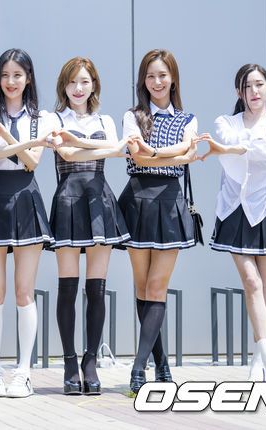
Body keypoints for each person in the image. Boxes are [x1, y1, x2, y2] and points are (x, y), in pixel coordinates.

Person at [199, 63, 266, 389]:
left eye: (259, 84)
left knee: (264, 283)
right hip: (234, 207)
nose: (254, 91)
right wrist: (254, 139)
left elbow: (259, 153)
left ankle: (259, 358)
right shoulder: (225, 122)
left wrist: (246, 143)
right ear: (238, 92)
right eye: (247, 86)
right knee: (252, 282)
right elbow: (231, 146)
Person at [119, 49, 199, 394]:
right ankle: (162, 362)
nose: (156, 82)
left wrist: (153, 152)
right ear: (143, 81)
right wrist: (172, 154)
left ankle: (139, 368)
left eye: (162, 75)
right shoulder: (132, 116)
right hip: (137, 199)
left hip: (169, 202)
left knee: (156, 288)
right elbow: (139, 158)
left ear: (173, 79)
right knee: (141, 288)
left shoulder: (188, 119)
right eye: (150, 76)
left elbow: (189, 154)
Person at [48, 57, 129, 395]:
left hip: (99, 199)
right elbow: (66, 155)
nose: (78, 88)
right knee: (68, 287)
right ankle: (70, 362)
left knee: (96, 289)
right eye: (72, 82)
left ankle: (90, 361)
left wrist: (81, 142)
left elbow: (117, 150)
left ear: (94, 84)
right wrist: (103, 146)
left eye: (84, 81)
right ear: (63, 87)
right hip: (68, 198)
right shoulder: (54, 119)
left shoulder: (105, 119)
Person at [0, 48, 53, 398]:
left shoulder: (42, 118)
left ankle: (23, 371)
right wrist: (16, 143)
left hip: (25, 197)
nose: (11, 82)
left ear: (28, 78)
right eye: (5, 75)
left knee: (24, 291)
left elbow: (32, 161)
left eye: (17, 75)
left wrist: (6, 136)